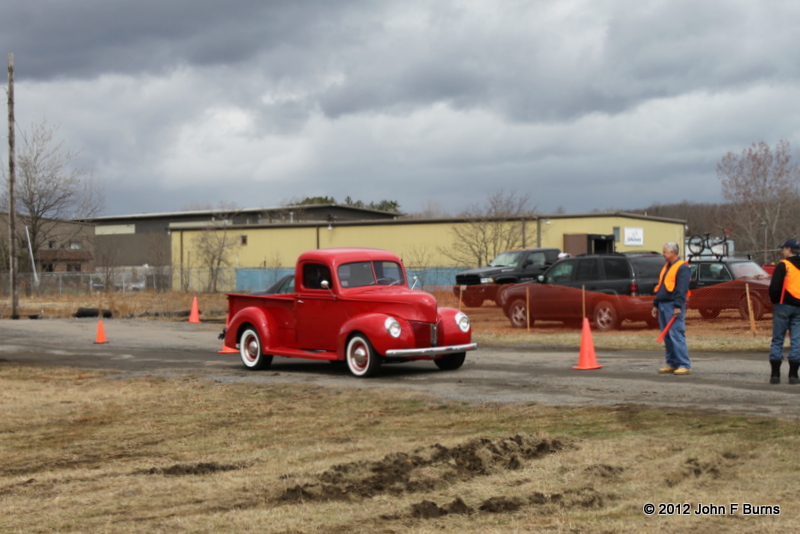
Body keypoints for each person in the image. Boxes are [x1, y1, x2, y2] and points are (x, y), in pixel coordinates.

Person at [651, 242, 692, 375]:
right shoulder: (666, 267)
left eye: (665, 252)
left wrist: (678, 306)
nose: (662, 254)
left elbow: (682, 288)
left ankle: (684, 364)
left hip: (672, 305)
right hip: (663, 304)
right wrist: (656, 304)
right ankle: (672, 363)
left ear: (673, 252)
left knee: (676, 334)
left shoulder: (682, 268)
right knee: (667, 335)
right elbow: (661, 287)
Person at [768, 238, 800, 384]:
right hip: (799, 307)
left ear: (789, 250)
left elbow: (774, 287)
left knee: (777, 339)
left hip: (783, 305)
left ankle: (775, 374)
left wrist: (776, 301)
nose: (782, 251)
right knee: (797, 341)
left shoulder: (783, 265)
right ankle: (793, 375)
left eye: (784, 249)